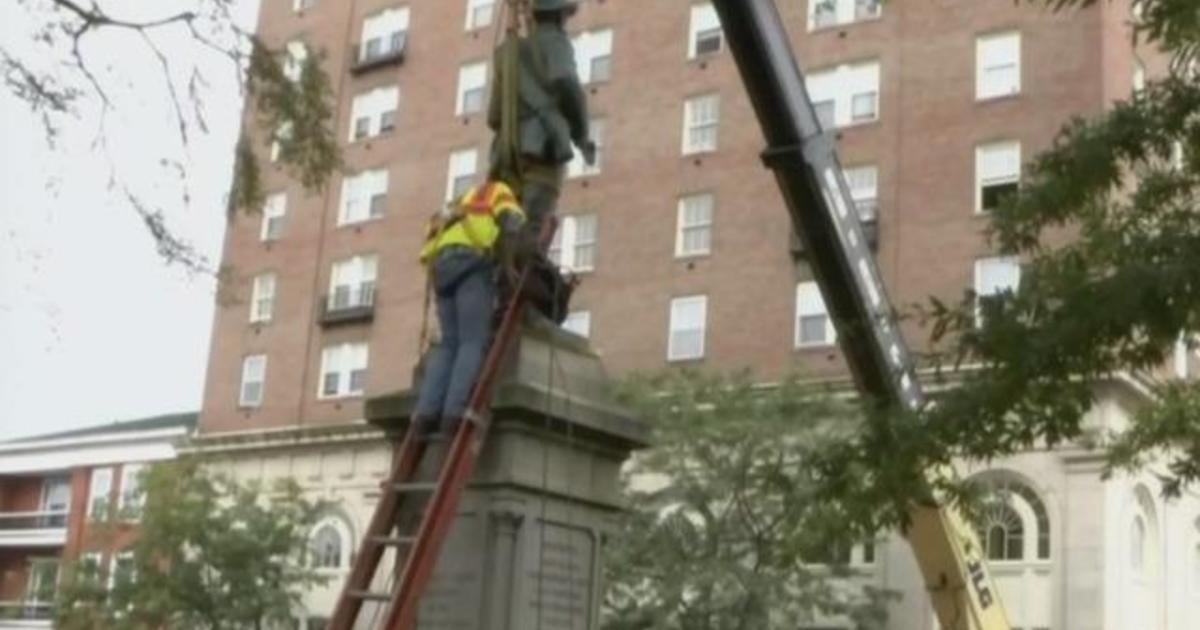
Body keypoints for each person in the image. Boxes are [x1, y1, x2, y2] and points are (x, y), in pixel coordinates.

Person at [413, 180, 525, 436]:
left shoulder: (458, 203)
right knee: (472, 341)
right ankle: (454, 412)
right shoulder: (500, 190)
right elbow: (511, 223)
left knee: (448, 343)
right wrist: (508, 266)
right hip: (471, 263)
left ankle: (424, 415)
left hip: (440, 269)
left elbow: (430, 231)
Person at [487, 0, 595, 240]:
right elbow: (565, 80)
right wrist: (581, 134)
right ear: (559, 16)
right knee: (529, 234)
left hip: (503, 159)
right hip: (542, 151)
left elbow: (494, 117)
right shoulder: (555, 41)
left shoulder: (506, 53)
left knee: (500, 235)